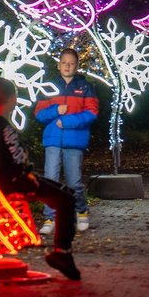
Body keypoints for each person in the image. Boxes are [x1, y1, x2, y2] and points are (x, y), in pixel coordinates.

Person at [0, 78, 81, 280]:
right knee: (65, 199)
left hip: (23, 177)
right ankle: (62, 253)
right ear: (13, 99)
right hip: (16, 182)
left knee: (66, 195)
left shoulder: (0, 124)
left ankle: (62, 252)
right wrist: (13, 183)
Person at [34, 48, 99, 236]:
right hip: (52, 140)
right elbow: (39, 113)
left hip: (75, 141)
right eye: (64, 62)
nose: (67, 66)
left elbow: (91, 113)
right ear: (59, 64)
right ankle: (49, 217)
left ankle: (81, 212)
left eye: (71, 63)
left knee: (74, 181)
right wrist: (56, 111)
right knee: (50, 180)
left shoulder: (86, 87)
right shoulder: (49, 86)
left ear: (76, 65)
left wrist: (67, 121)